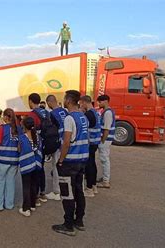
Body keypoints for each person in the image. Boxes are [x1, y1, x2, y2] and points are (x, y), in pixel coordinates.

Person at [52, 90, 88, 236]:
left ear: (68, 100)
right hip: (82, 160)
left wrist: (61, 160)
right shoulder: (83, 117)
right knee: (79, 191)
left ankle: (68, 225)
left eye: (65, 98)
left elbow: (66, 142)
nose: (64, 100)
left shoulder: (69, 118)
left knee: (67, 193)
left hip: (70, 161)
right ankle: (79, 221)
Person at [0, 108, 20, 211]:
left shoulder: (2, 128)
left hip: (2, 159)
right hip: (15, 160)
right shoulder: (18, 129)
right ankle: (9, 204)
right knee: (10, 182)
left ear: (6, 117)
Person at [44, 95, 68, 201]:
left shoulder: (52, 114)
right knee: (65, 168)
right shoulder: (65, 111)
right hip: (67, 143)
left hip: (58, 145)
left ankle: (57, 192)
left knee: (56, 167)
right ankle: (65, 189)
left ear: (49, 102)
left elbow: (51, 132)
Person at [27, 93, 49, 204]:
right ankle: (43, 193)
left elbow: (30, 132)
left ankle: (35, 197)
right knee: (41, 168)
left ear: (31, 101)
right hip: (45, 144)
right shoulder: (46, 113)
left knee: (34, 170)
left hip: (35, 146)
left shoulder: (32, 115)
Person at [18, 117, 41, 217]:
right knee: (34, 185)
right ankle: (32, 204)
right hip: (36, 164)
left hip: (27, 165)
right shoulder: (38, 136)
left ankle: (26, 208)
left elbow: (19, 150)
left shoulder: (22, 138)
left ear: (24, 126)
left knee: (26, 186)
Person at [80, 95, 101, 197]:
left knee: (89, 165)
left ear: (84, 102)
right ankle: (93, 185)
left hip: (90, 143)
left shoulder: (88, 114)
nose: (80, 105)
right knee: (92, 164)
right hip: (95, 142)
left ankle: (89, 188)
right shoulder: (95, 112)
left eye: (81, 103)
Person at [96, 95, 115, 189]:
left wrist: (102, 140)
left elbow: (106, 129)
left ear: (106, 101)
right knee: (104, 159)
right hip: (106, 139)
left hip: (105, 139)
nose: (98, 104)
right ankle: (104, 177)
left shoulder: (107, 113)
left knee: (104, 159)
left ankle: (106, 181)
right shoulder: (106, 112)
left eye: (100, 102)